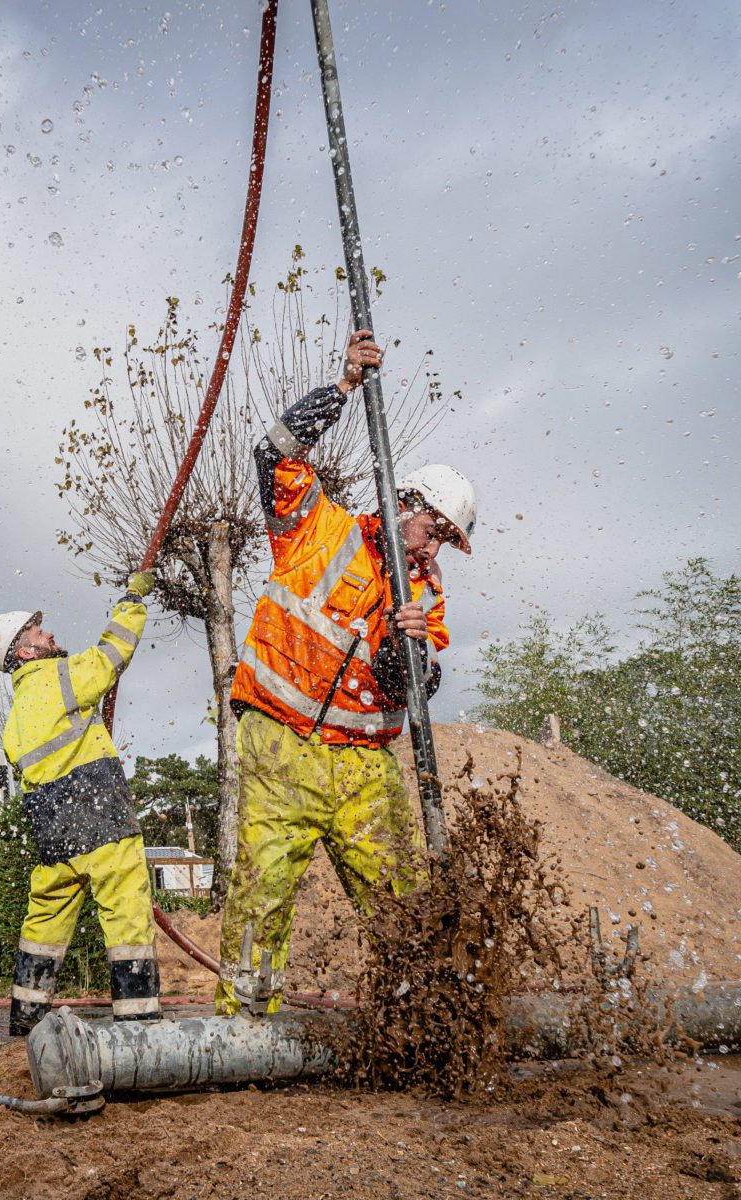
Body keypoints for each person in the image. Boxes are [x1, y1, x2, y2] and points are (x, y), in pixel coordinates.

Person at [215, 329, 476, 1015]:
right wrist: (344, 389)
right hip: (279, 745)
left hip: (365, 765)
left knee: (400, 899)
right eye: (437, 528)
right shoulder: (316, 527)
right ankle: (242, 1023)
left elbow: (411, 687)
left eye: (450, 539)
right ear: (407, 501)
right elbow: (273, 452)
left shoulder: (426, 593)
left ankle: (418, 1021)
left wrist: (410, 649)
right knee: (261, 891)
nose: (438, 545)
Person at [0, 571, 162, 1036]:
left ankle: (26, 1020)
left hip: (54, 837)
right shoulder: (60, 678)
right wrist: (132, 599)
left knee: (44, 923)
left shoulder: (14, 720)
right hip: (101, 821)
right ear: (24, 651)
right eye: (38, 632)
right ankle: (139, 1024)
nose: (50, 634)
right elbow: (113, 653)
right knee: (126, 916)